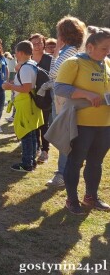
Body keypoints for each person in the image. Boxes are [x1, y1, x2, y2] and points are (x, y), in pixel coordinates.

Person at [54, 26, 110, 214]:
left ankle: (91, 197)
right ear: (90, 47)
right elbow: (60, 88)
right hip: (81, 123)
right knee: (75, 161)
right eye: (104, 48)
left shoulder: (107, 63)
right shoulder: (73, 63)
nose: (107, 52)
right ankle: (72, 199)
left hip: (104, 124)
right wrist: (85, 94)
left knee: (96, 163)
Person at [45, 16, 87, 187]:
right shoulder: (78, 49)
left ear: (63, 33)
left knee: (64, 135)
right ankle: (68, 171)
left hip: (64, 98)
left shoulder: (69, 50)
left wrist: (55, 52)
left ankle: (62, 174)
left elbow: (53, 73)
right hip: (70, 96)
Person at [2, 41, 44, 172]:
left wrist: (9, 87)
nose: (15, 56)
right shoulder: (32, 64)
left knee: (25, 133)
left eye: (16, 53)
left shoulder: (26, 68)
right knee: (31, 133)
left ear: (20, 52)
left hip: (25, 103)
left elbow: (26, 88)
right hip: (31, 104)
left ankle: (27, 163)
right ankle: (31, 161)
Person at [28, 33, 53, 164]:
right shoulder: (28, 59)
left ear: (44, 44)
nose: (36, 46)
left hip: (46, 96)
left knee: (44, 123)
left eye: (39, 43)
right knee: (33, 123)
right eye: (34, 43)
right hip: (30, 95)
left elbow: (54, 77)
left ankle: (45, 150)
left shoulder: (50, 59)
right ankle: (36, 147)